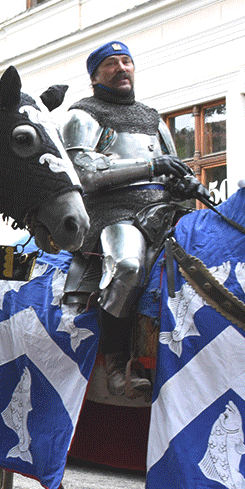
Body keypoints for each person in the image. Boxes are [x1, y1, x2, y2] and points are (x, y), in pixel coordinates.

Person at [61, 41, 207, 396]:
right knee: (127, 266)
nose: (122, 68)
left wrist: (184, 181)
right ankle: (115, 360)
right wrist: (152, 166)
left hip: (166, 208)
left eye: (127, 61)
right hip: (115, 210)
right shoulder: (82, 116)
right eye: (112, 64)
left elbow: (171, 169)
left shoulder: (152, 119)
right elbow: (84, 173)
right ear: (95, 77)